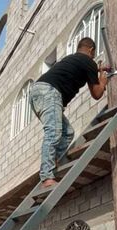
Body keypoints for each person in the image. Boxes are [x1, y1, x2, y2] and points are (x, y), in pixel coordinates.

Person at [30, 37, 108, 188]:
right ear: (91, 50)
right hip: (49, 93)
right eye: (93, 55)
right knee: (53, 132)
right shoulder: (88, 62)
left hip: (39, 92)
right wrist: (103, 81)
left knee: (67, 133)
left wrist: (96, 71)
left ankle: (52, 164)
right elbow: (97, 94)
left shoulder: (72, 59)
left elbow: (81, 71)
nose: (93, 58)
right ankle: (47, 177)